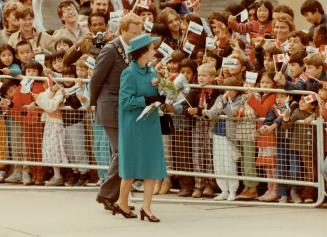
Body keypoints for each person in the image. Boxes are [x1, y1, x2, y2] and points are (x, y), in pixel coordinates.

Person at [112, 33, 167, 222]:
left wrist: (163, 95)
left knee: (151, 164)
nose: (154, 51)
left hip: (150, 124)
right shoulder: (128, 73)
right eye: (151, 48)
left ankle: (147, 207)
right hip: (133, 126)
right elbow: (125, 102)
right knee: (132, 165)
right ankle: (121, 202)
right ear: (142, 52)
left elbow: (158, 93)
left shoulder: (152, 73)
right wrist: (147, 99)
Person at [91, 12, 142, 211]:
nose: (137, 35)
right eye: (133, 32)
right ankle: (108, 195)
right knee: (123, 152)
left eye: (139, 32)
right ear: (122, 30)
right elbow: (96, 78)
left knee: (122, 152)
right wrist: (93, 103)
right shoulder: (110, 49)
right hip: (110, 107)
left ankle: (112, 196)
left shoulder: (135, 49)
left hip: (125, 107)